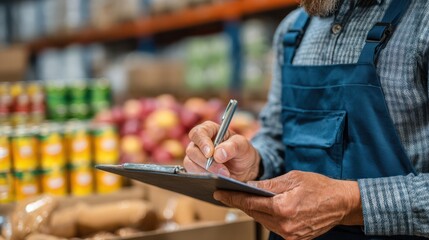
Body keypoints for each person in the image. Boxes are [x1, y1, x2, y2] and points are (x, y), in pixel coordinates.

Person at [183, 0, 429, 239]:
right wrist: (254, 164)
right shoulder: (292, 31)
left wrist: (351, 201)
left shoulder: (421, 21)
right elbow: (276, 138)